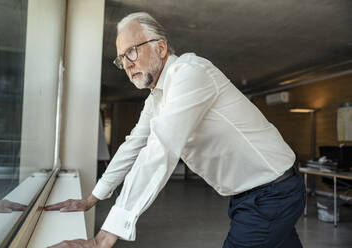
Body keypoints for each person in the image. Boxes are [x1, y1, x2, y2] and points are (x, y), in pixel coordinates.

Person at [47, 12, 306, 248]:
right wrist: (92, 198)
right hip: (251, 194)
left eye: (132, 52)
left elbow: (161, 149)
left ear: (160, 48)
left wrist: (103, 238)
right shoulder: (157, 98)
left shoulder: (190, 73)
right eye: (121, 58)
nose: (127, 64)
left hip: (273, 192)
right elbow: (134, 145)